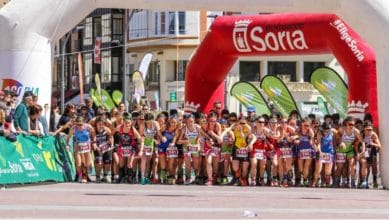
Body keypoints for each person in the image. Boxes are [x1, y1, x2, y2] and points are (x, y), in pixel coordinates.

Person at [334, 116, 364, 188]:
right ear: (346, 124)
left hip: (349, 150)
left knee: (352, 166)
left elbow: (362, 142)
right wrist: (341, 142)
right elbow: (336, 138)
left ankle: (353, 182)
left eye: (353, 124)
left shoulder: (356, 131)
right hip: (341, 150)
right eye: (350, 124)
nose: (351, 126)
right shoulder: (342, 129)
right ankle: (336, 182)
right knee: (340, 167)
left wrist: (362, 151)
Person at [114, 112, 144, 183]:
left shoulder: (132, 129)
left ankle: (129, 177)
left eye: (129, 123)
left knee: (130, 163)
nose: (127, 124)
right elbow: (111, 133)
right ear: (123, 122)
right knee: (121, 163)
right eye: (126, 122)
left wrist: (141, 150)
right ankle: (122, 177)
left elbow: (140, 139)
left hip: (131, 147)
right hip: (122, 147)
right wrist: (112, 141)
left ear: (131, 122)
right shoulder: (119, 127)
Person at [66, 116, 95, 183]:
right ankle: (81, 175)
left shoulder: (88, 127)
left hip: (87, 145)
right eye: (77, 124)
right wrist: (67, 144)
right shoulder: (73, 128)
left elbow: (93, 134)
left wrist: (94, 142)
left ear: (84, 123)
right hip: (78, 145)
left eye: (81, 124)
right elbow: (68, 137)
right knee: (78, 163)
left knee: (87, 163)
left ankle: (86, 173)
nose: (79, 126)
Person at [313, 122, 337, 187]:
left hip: (329, 152)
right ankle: (314, 182)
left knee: (328, 171)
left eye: (327, 130)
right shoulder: (319, 133)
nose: (326, 132)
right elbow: (318, 143)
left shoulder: (332, 131)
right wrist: (320, 152)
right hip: (322, 151)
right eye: (325, 130)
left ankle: (327, 182)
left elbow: (338, 136)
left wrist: (339, 143)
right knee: (318, 169)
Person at [92, 116, 114, 183]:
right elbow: (94, 141)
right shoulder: (94, 130)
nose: (101, 126)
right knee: (99, 162)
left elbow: (111, 137)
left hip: (106, 147)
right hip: (98, 147)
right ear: (96, 124)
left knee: (108, 162)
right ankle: (98, 176)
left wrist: (112, 144)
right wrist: (96, 147)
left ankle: (105, 176)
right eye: (99, 124)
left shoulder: (107, 129)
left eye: (102, 124)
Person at [249, 116, 269, 186]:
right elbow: (251, 137)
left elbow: (272, 135)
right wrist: (250, 143)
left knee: (263, 166)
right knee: (254, 163)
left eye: (263, 122)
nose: (261, 124)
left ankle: (261, 179)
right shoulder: (253, 129)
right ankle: (253, 179)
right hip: (254, 150)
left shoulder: (265, 130)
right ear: (256, 123)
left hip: (262, 150)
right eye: (260, 122)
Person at [362, 121, 381, 188]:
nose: (370, 131)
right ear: (364, 129)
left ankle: (375, 180)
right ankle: (365, 181)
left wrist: (372, 143)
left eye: (371, 129)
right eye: (368, 129)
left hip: (372, 151)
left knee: (374, 166)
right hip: (365, 151)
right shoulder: (362, 134)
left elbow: (379, 145)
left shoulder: (373, 135)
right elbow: (357, 144)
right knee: (366, 166)